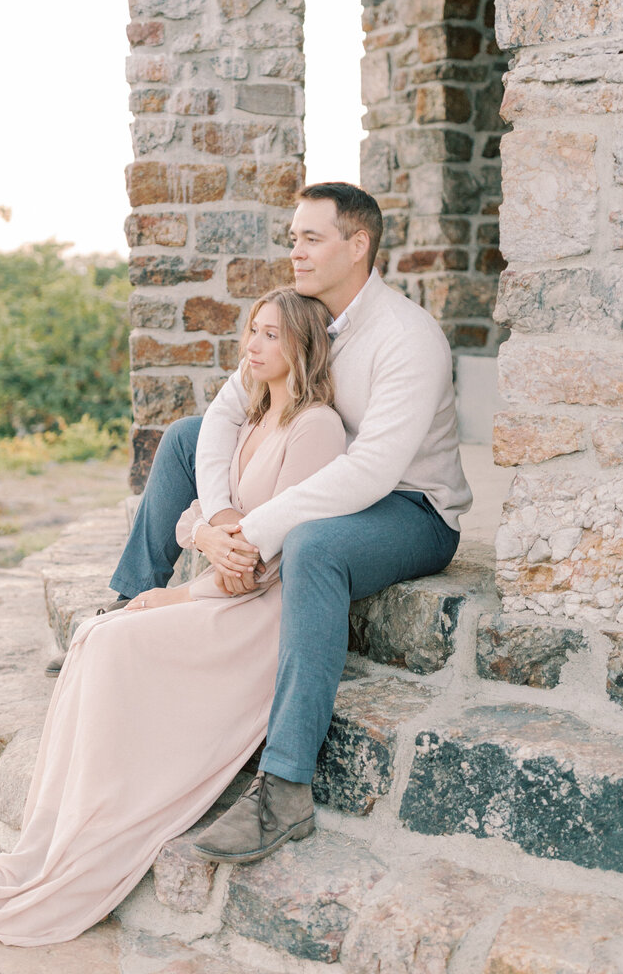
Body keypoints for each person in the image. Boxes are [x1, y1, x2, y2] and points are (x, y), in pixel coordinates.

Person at [0, 288, 347, 946]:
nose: (252, 345)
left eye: (270, 335)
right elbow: (196, 521)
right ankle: (62, 828)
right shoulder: (246, 418)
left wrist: (172, 594)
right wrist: (203, 539)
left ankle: (105, 819)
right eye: (251, 332)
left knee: (114, 641)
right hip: (223, 590)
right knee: (95, 633)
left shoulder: (315, 427)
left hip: (261, 615)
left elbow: (267, 561)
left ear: (303, 346)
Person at [86, 181, 472, 866]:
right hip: (318, 482)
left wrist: (254, 532)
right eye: (293, 237)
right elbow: (222, 417)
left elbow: (371, 472)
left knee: (315, 543)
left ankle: (285, 787)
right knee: (182, 435)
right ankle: (128, 605)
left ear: (358, 246)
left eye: (310, 238)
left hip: (411, 507)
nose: (294, 250)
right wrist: (222, 516)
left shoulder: (407, 339)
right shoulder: (302, 318)